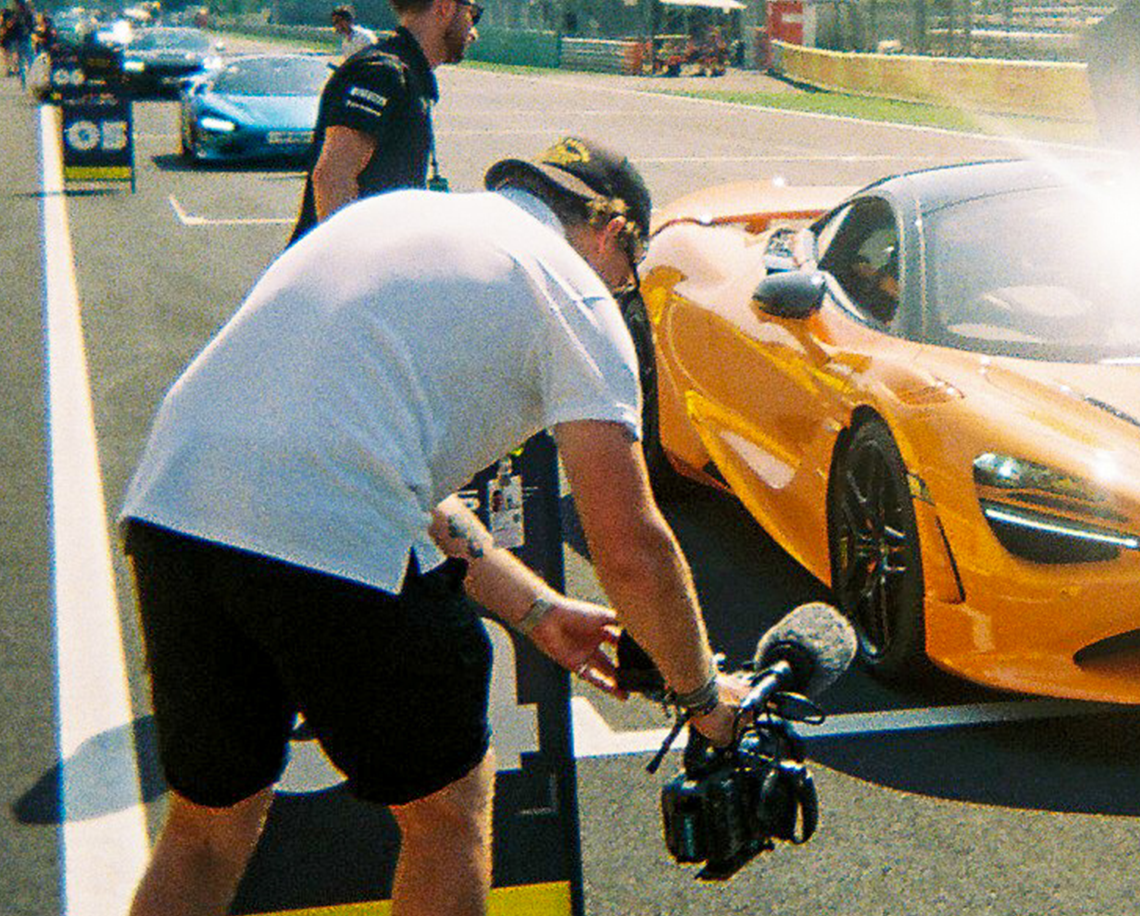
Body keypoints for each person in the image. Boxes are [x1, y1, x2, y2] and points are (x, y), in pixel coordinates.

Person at [120, 136, 744, 916]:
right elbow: (631, 547)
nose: (623, 290)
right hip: (327, 524)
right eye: (630, 272)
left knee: (207, 828)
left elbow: (397, 482)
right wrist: (702, 699)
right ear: (613, 233)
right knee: (447, 816)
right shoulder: (573, 295)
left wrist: (539, 612)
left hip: (174, 504)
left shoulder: (394, 215)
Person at [289, 0, 483, 246]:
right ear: (445, 5)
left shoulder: (407, 73)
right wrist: (358, 272)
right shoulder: (381, 72)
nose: (473, 30)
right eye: (472, 12)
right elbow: (333, 177)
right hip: (335, 277)